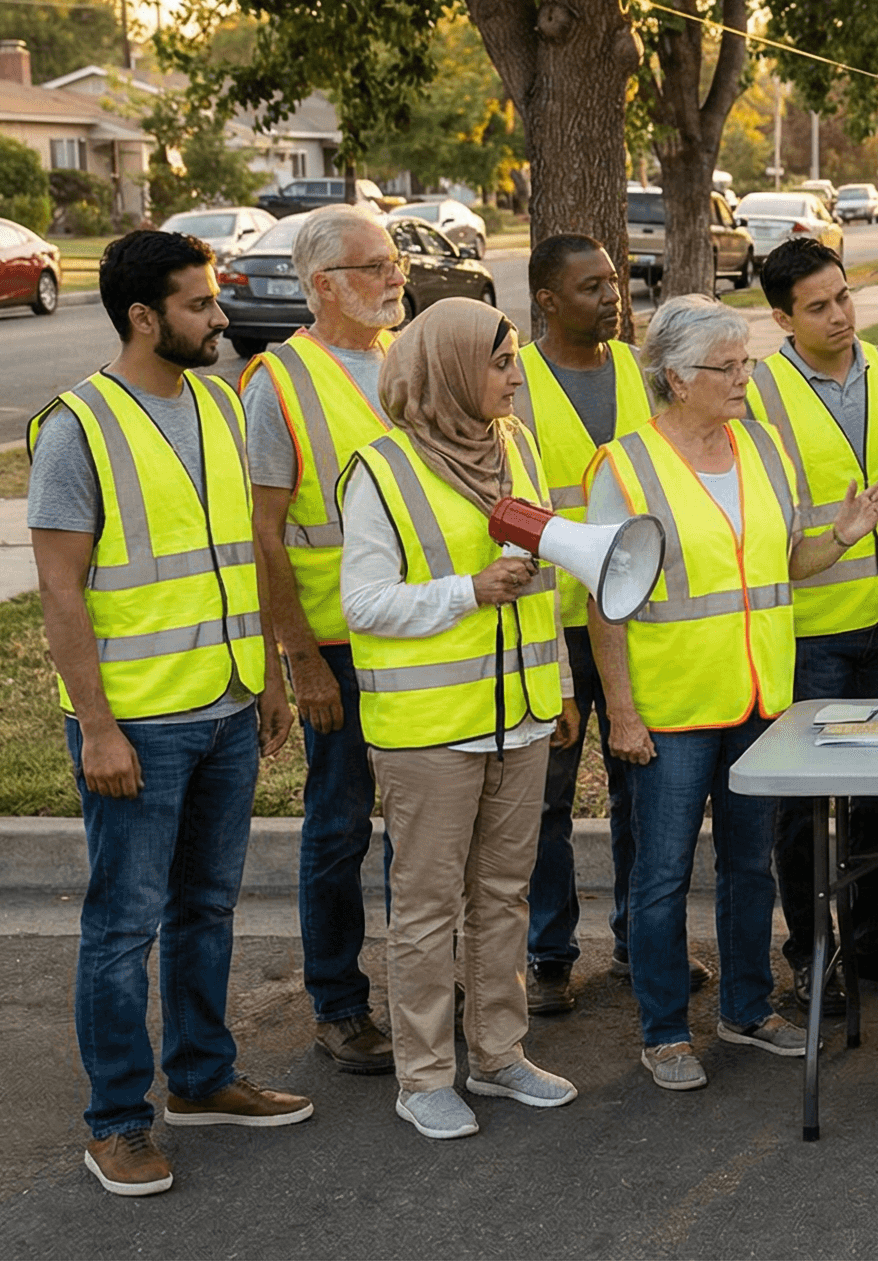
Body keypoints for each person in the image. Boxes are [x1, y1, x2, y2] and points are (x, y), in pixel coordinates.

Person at [28, 228, 310, 1197]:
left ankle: (200, 1078)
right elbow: (61, 593)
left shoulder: (224, 408)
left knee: (207, 908)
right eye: (200, 305)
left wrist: (270, 675)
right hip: (139, 724)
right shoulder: (79, 426)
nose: (221, 318)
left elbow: (247, 553)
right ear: (144, 317)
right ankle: (116, 1122)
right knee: (123, 927)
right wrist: (98, 728)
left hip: (229, 702)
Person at [586, 296, 878, 1089]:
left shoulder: (761, 447)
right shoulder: (623, 466)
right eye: (727, 367)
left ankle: (747, 1009)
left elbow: (784, 563)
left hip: (761, 701)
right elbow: (603, 601)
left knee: (749, 867)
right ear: (675, 377)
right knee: (660, 877)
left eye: (746, 363)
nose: (743, 378)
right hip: (673, 706)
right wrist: (620, 711)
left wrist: (842, 535)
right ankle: (664, 1033)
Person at [339, 297, 580, 1140]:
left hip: (519, 717)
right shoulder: (381, 469)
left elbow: (543, 572)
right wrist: (466, 593)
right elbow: (362, 603)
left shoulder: (514, 447)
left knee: (504, 897)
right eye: (501, 361)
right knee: (428, 906)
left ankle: (501, 1055)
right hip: (431, 730)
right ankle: (425, 1077)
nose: (515, 376)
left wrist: (561, 690)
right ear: (448, 370)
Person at [746, 238, 878, 1011]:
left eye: (844, 297)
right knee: (804, 809)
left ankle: (877, 938)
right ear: (781, 317)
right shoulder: (759, 395)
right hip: (813, 630)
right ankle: (812, 953)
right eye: (819, 307)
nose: (840, 316)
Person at [239, 204, 402, 1074]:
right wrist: (298, 658)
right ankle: (339, 1003)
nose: (395, 276)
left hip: (414, 636)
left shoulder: (401, 362)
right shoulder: (279, 382)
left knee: (417, 825)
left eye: (394, 261)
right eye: (375, 266)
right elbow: (265, 533)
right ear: (323, 285)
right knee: (338, 827)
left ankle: (417, 992)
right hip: (336, 648)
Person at [509, 233, 652, 1017]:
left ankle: (640, 943)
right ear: (547, 301)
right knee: (547, 801)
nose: (612, 296)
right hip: (554, 626)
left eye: (615, 281)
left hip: (636, 621)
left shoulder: (638, 372)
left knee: (643, 790)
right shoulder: (516, 385)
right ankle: (549, 952)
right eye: (591, 286)